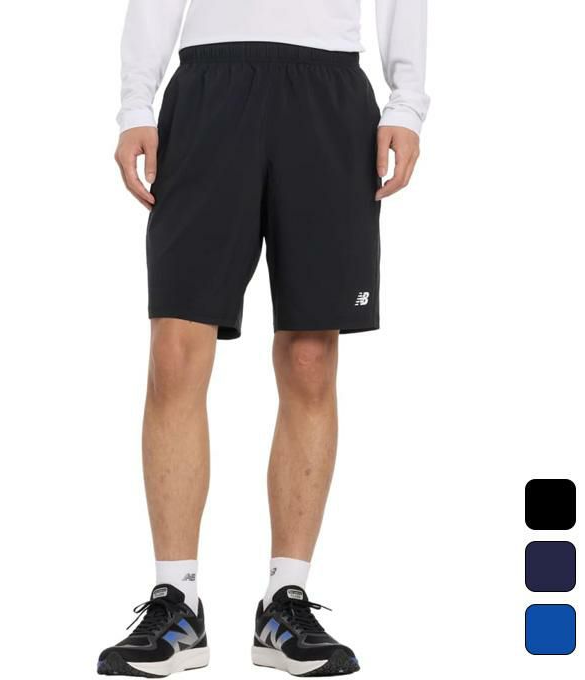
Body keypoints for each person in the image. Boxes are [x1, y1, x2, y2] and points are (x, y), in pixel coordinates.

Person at [98, 0, 428, 676]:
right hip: (209, 87)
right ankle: (177, 603)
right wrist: (136, 105)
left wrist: (406, 102)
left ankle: (285, 602)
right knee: (175, 349)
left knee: (310, 357)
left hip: (327, 92)